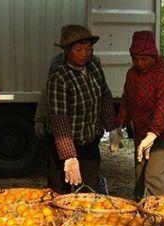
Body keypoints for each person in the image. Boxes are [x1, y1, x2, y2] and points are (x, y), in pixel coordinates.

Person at [46, 24, 117, 194]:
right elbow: (59, 118)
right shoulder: (59, 78)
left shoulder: (94, 67)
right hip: (62, 145)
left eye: (87, 49)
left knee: (89, 190)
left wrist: (112, 127)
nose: (84, 53)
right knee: (58, 192)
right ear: (67, 51)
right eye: (78, 49)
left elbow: (105, 97)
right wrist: (69, 157)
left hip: (89, 142)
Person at [114, 30, 164, 200]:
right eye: (135, 59)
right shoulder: (132, 74)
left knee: (154, 177)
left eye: (144, 59)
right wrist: (118, 126)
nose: (139, 63)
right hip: (142, 133)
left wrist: (153, 133)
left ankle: (163, 218)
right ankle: (142, 218)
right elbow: (127, 102)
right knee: (140, 180)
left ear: (154, 56)